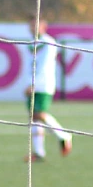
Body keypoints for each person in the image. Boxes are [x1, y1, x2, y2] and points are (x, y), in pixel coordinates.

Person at [27, 17, 72, 159]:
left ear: (43, 26)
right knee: (34, 117)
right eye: (31, 25)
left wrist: (34, 83)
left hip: (43, 84)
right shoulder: (32, 43)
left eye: (36, 25)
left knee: (40, 114)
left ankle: (64, 135)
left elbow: (44, 65)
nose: (33, 27)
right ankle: (38, 152)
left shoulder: (48, 43)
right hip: (33, 83)